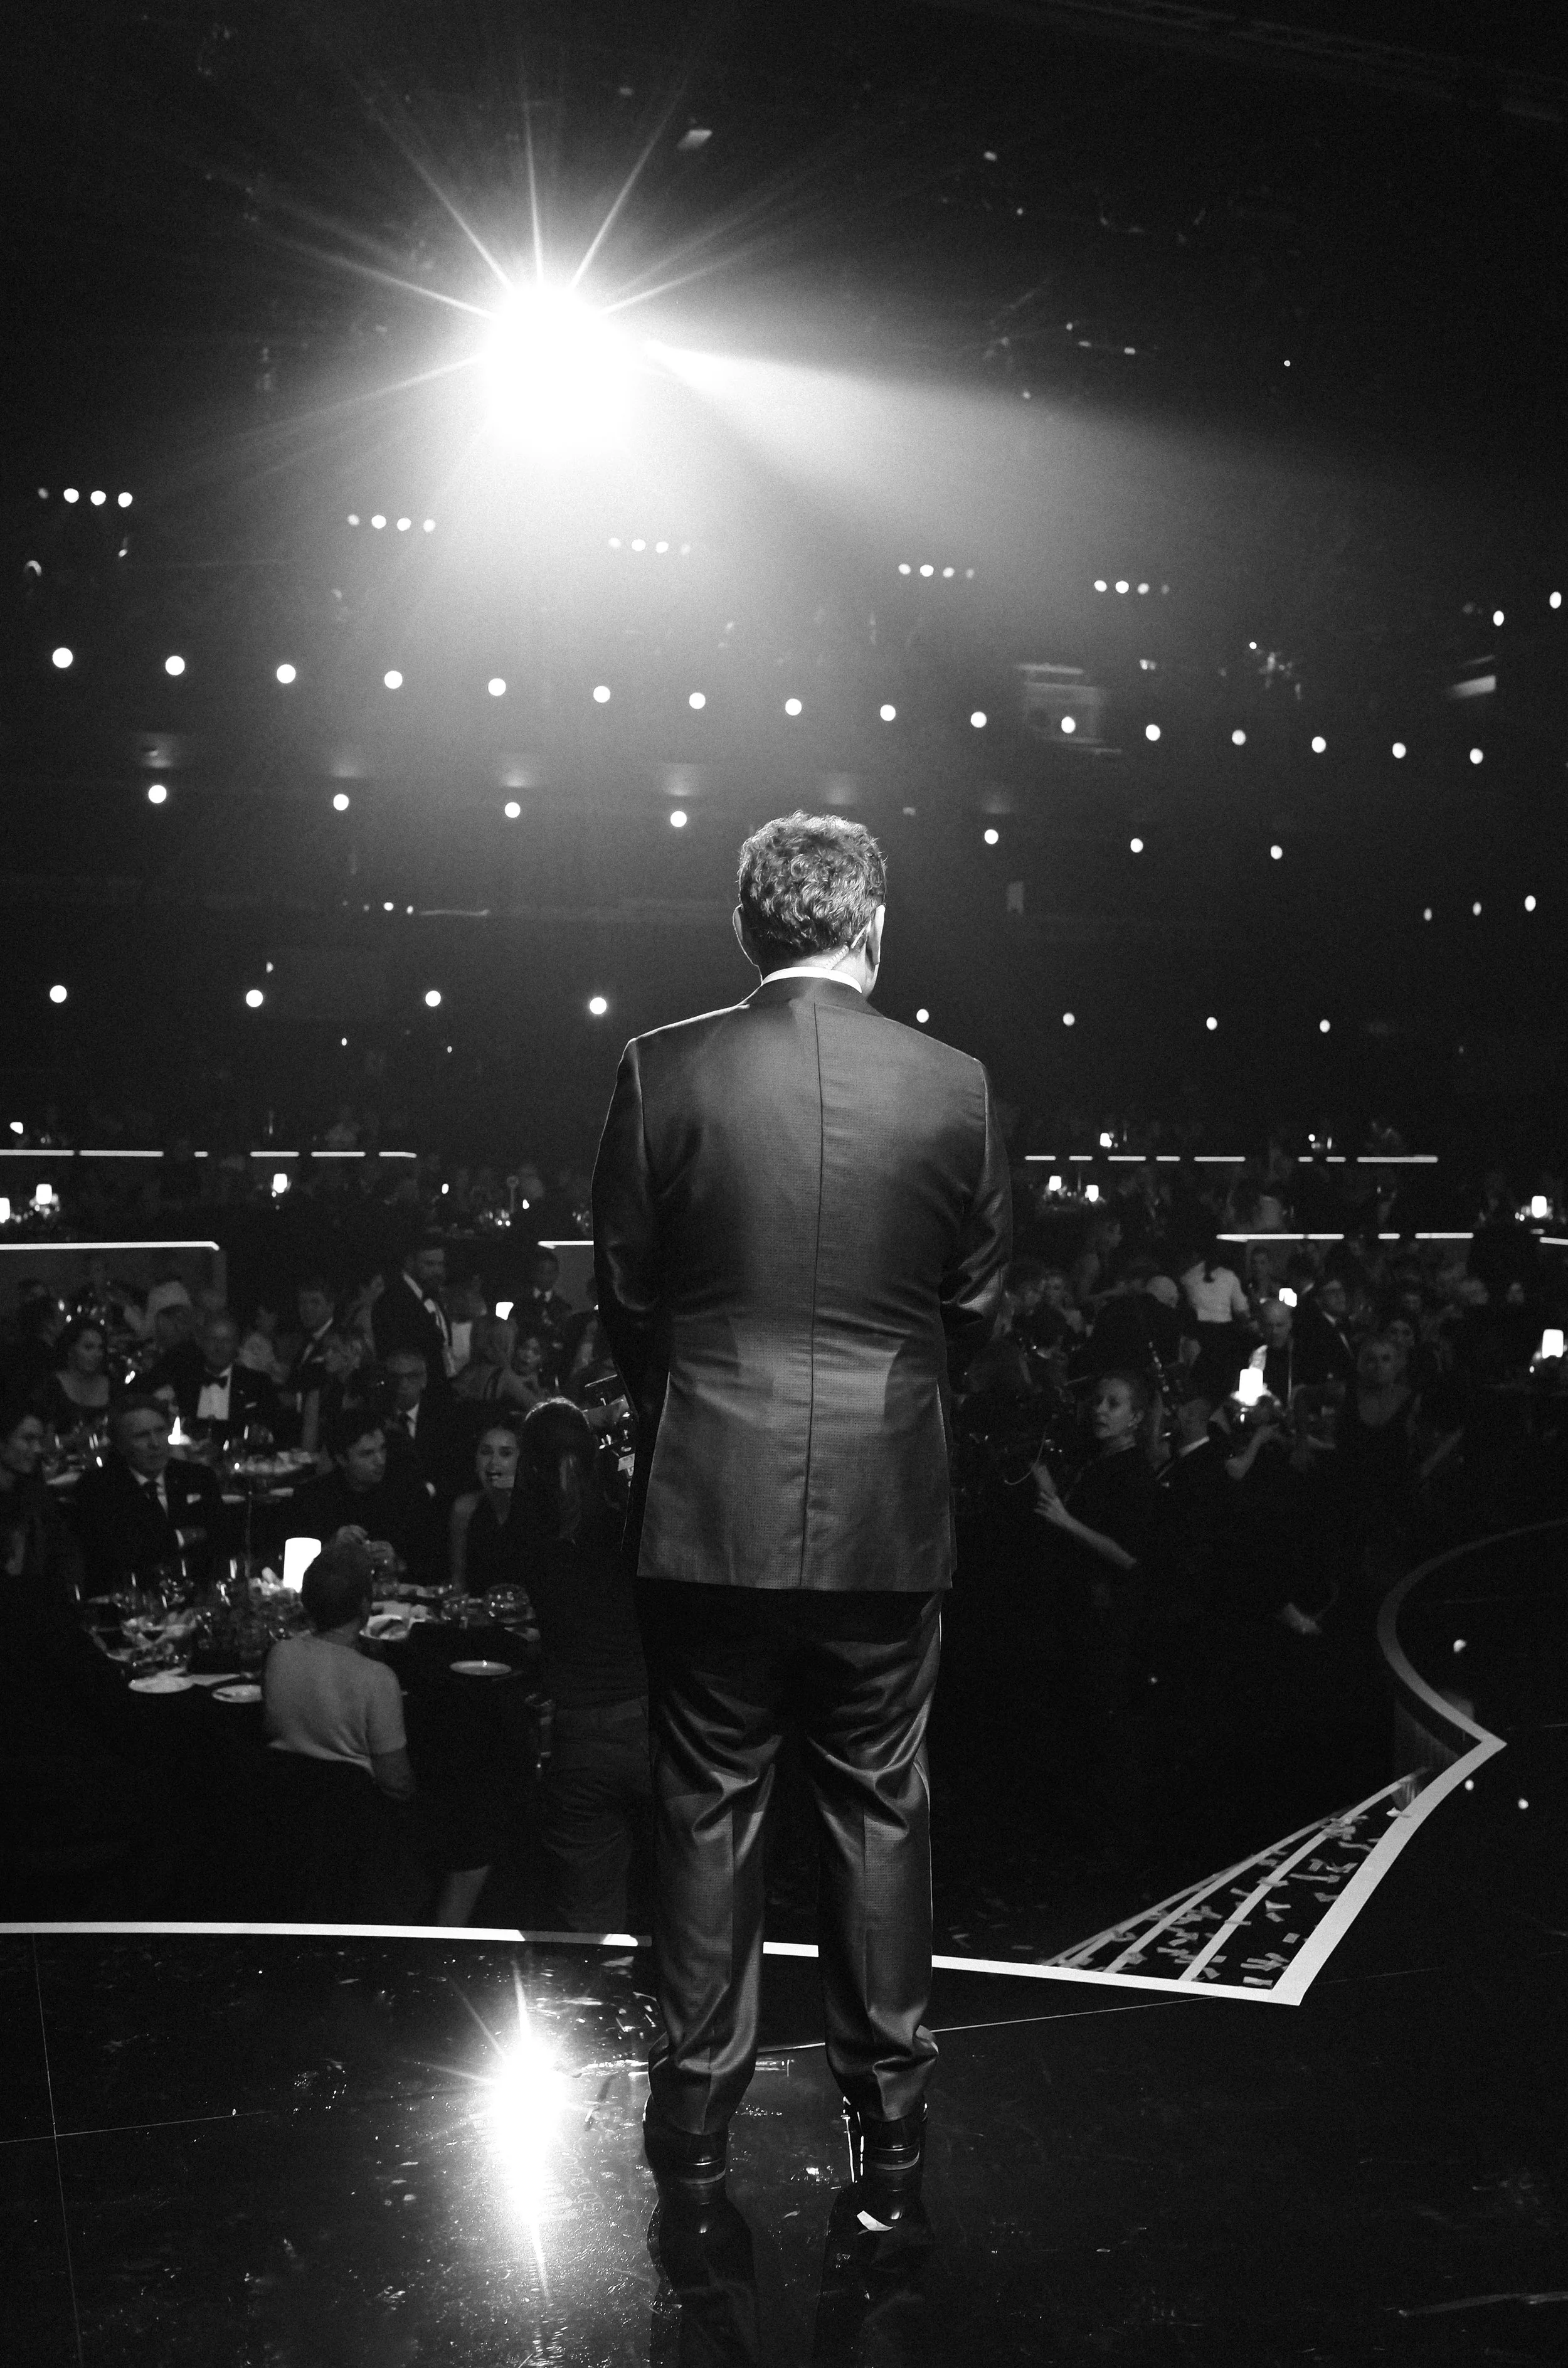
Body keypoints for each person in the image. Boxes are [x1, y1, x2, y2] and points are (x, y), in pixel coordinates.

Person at [592, 809, 1010, 2206]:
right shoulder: (955, 1086)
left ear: (746, 930)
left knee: (706, 1810)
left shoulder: (662, 1069)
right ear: (873, 928)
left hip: (709, 1500)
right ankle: (889, 2126)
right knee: (880, 1808)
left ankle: (694, 2129)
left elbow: (626, 1296)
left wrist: (705, 1403)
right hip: (885, 1513)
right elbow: (975, 1308)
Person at [513, 1399, 652, 1933]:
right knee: (679, 1899)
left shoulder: (532, 1539)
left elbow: (537, 1473)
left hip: (578, 1738)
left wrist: (579, 1429)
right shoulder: (623, 1529)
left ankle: (598, 1985)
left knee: (589, 1917)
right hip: (647, 1723)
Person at [73, 1397, 228, 1598]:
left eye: (160, 1431)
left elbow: (221, 1536)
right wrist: (184, 1536)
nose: (155, 1443)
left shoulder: (197, 1477)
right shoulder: (97, 1487)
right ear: (120, 1445)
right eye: (142, 1436)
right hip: (133, 1597)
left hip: (197, 1595)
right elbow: (122, 1552)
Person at [292, 1410, 441, 1583]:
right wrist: (330, 1549)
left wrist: (396, 1563)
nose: (380, 1461)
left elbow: (432, 1566)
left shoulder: (405, 1494)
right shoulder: (314, 1497)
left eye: (383, 1449)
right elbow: (294, 1572)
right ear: (342, 1459)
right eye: (367, 1454)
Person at [447, 1418, 534, 1599]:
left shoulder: (539, 1509)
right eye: (486, 1452)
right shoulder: (465, 1508)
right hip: (479, 1612)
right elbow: (458, 1582)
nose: (494, 1462)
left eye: (506, 1454)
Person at [372, 1236, 454, 1388]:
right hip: (409, 1389)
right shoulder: (393, 1301)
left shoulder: (433, 1295)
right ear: (410, 1262)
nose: (437, 1271)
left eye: (441, 1264)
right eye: (430, 1264)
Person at [454, 1315, 548, 1415]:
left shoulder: (469, 1369)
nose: (528, 1354)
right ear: (503, 1344)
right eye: (512, 1342)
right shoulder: (502, 1376)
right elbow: (539, 1408)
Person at [40, 1317, 114, 1437]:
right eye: (88, 1348)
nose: (97, 1355)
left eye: (100, 1348)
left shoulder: (112, 1385)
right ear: (70, 1349)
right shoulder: (52, 1387)